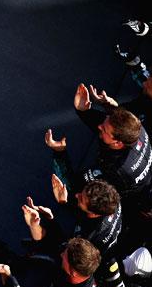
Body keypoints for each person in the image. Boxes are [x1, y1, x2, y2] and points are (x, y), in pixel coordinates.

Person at [46, 84, 152, 213]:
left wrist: (59, 153)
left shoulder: (114, 169)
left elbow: (75, 184)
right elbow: (105, 122)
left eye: (104, 129)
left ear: (118, 143)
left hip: (130, 195)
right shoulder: (134, 128)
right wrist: (84, 110)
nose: (100, 127)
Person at [22, 179, 122, 260]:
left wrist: (43, 221)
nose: (76, 195)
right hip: (107, 241)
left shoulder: (88, 236)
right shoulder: (112, 201)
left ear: (94, 213)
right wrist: (64, 202)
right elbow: (81, 211)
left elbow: (63, 246)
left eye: (81, 199)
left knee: (53, 242)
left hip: (85, 257)